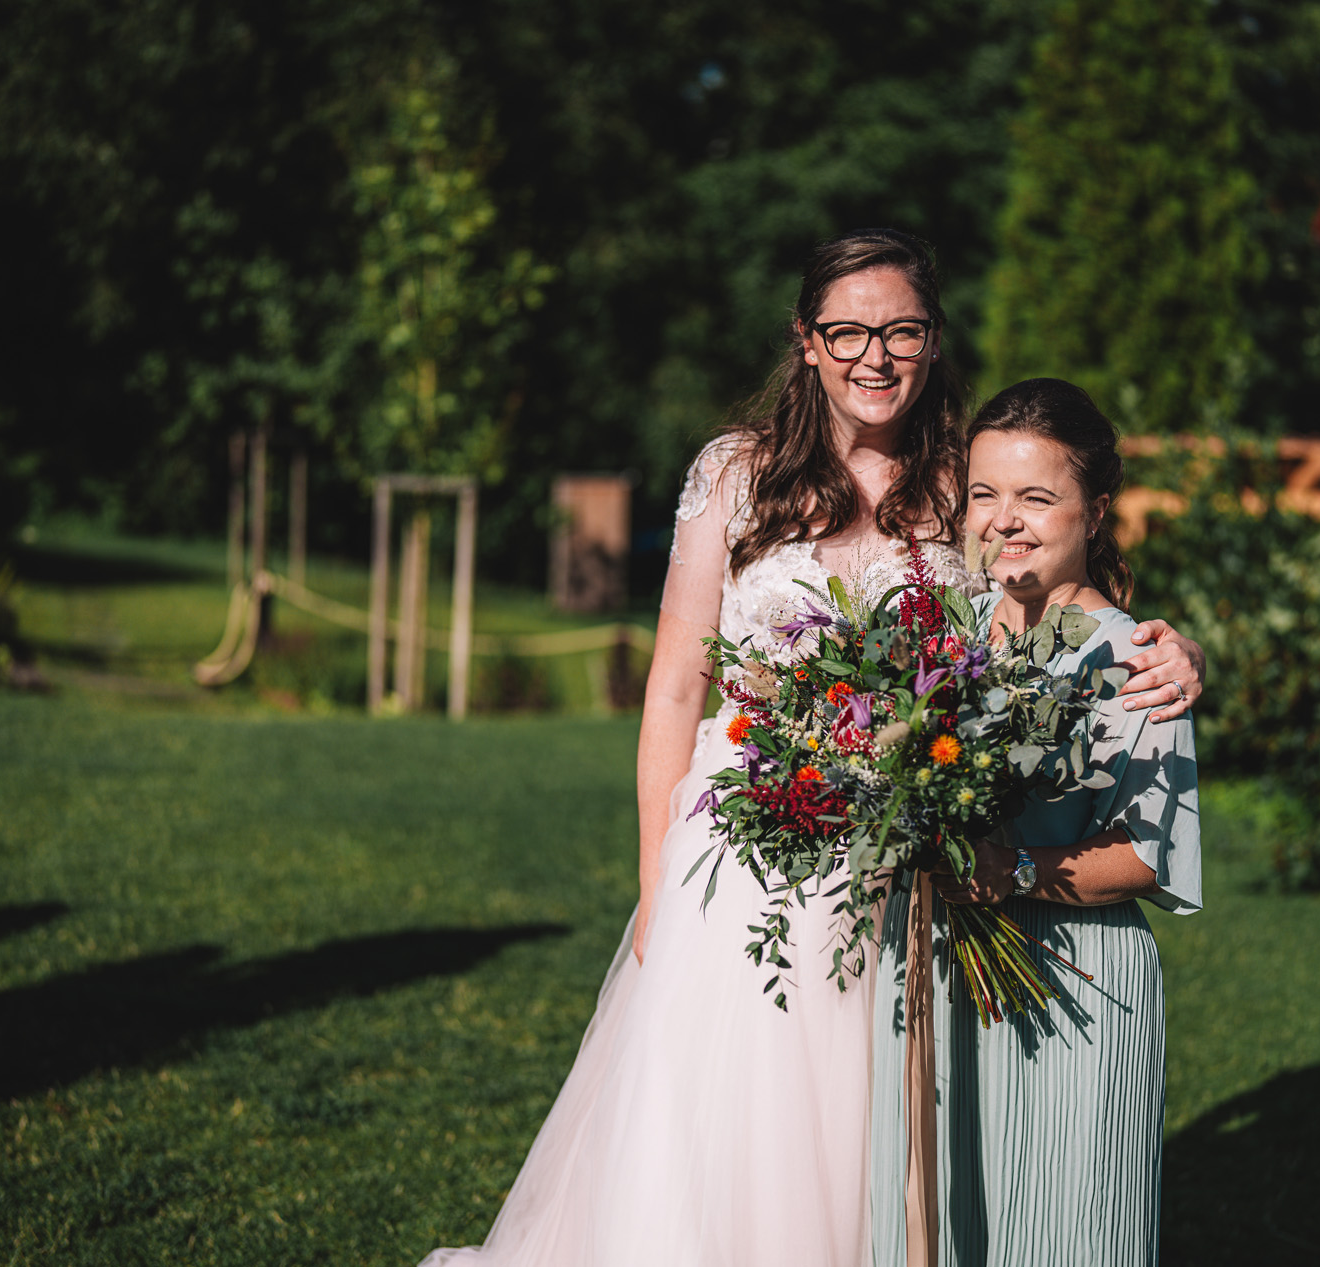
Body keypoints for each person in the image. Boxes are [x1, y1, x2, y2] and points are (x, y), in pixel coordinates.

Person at [420, 235, 1204, 1267]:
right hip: (741, 853)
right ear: (807, 341)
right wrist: (655, 883)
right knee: (716, 1137)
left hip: (898, 868)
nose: (874, 355)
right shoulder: (734, 475)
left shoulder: (960, 484)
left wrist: (1172, 647)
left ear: (933, 341)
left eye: (902, 331)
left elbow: (1041, 595)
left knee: (868, 1133)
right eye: (848, 331)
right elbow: (674, 686)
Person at [869, 378, 1202, 1267]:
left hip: (1073, 983)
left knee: (1059, 1229)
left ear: (1096, 511)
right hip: (939, 970)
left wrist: (1006, 870)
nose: (1004, 520)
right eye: (985, 493)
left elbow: (1146, 855)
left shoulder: (1139, 660)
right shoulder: (943, 636)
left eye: (1036, 497)